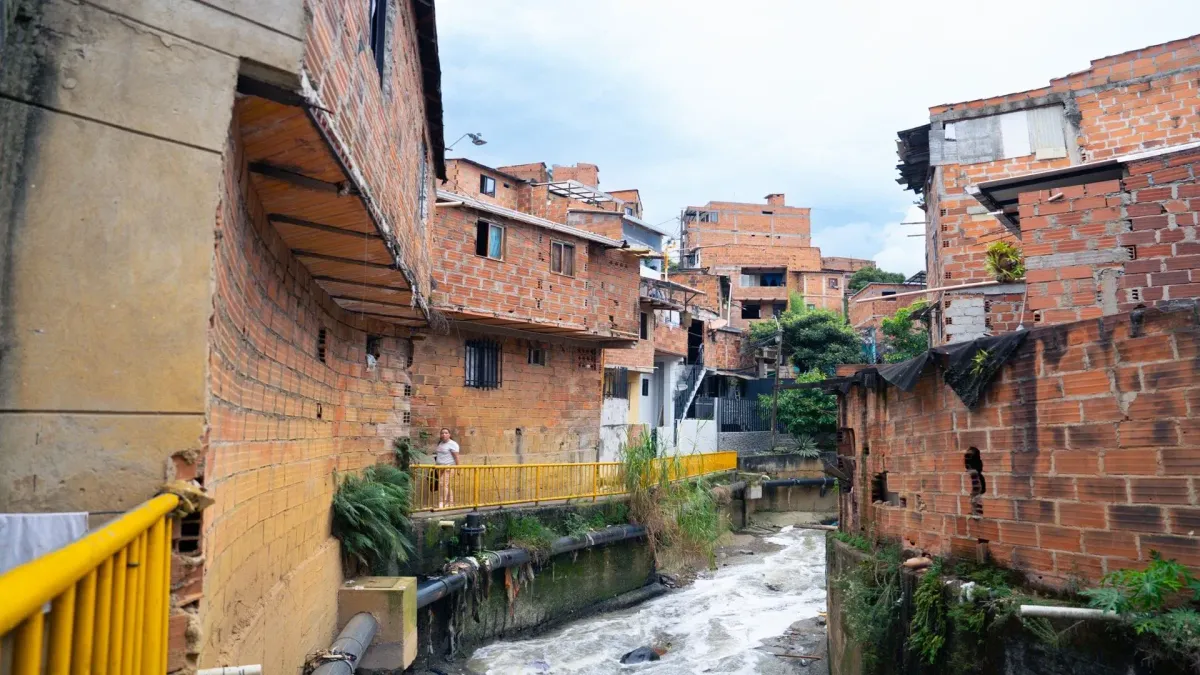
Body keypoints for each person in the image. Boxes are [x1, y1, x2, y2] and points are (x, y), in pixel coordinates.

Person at [433, 428, 460, 508]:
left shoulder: (453, 444)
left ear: (449, 435)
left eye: (446, 433)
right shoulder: (440, 443)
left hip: (449, 466)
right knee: (446, 485)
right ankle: (450, 503)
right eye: (442, 433)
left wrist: (458, 468)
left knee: (442, 484)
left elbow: (456, 457)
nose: (444, 434)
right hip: (439, 467)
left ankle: (442, 502)